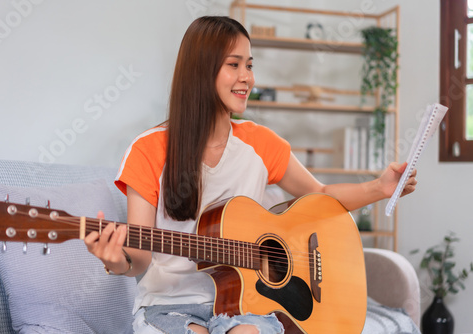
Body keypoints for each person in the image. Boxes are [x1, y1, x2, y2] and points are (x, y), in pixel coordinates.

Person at [84, 16, 417, 334]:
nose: (248, 77)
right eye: (234, 64)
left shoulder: (260, 142)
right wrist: (117, 261)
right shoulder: (150, 149)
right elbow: (139, 258)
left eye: (250, 65)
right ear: (201, 70)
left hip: (247, 306)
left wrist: (380, 187)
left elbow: (321, 196)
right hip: (171, 304)